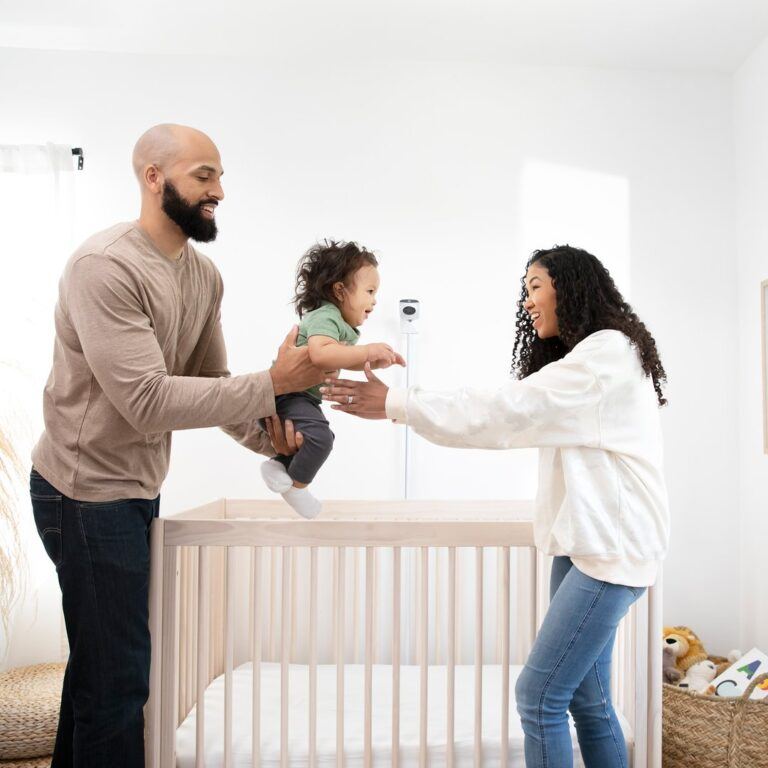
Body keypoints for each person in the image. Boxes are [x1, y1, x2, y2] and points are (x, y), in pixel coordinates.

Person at [29, 124, 326, 768]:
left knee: (99, 667)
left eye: (220, 176)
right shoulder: (103, 266)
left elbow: (212, 386)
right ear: (152, 176)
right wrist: (275, 381)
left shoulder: (202, 276)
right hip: (82, 494)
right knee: (120, 680)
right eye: (204, 175)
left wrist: (274, 442)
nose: (219, 189)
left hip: (134, 489)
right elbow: (148, 400)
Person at [320, 244, 670, 768]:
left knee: (539, 695)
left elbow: (505, 411)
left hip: (610, 547)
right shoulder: (593, 356)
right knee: (588, 700)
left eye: (535, 286)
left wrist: (399, 403)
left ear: (572, 287)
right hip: (586, 541)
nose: (527, 301)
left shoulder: (606, 354)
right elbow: (513, 409)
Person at [259, 239, 405, 518]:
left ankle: (278, 466)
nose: (375, 300)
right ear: (339, 290)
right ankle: (297, 488)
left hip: (297, 397)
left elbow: (337, 357)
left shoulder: (336, 323)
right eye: (370, 291)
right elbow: (322, 356)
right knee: (321, 439)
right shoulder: (327, 317)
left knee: (315, 438)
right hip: (288, 395)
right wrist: (366, 350)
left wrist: (371, 360)